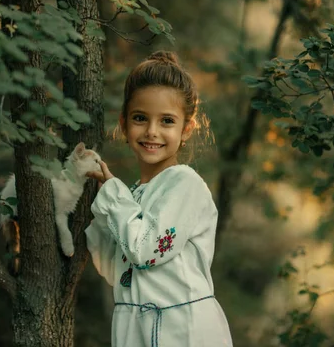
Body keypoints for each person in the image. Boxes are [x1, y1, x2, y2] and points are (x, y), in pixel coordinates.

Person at [85, 51, 233, 347]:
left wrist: (112, 196)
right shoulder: (132, 194)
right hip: (134, 327)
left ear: (186, 129)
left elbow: (146, 250)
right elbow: (111, 269)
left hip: (180, 330)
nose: (152, 131)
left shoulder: (185, 184)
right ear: (124, 124)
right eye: (141, 118)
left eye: (167, 121)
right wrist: (102, 207)